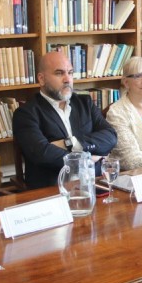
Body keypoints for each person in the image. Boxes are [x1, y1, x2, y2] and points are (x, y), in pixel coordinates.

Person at [12, 52, 117, 188]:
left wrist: (71, 143)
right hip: (52, 189)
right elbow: (42, 153)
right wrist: (86, 159)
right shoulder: (26, 113)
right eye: (59, 73)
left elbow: (110, 137)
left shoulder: (85, 103)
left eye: (70, 72)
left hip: (94, 184)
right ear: (41, 79)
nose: (67, 79)